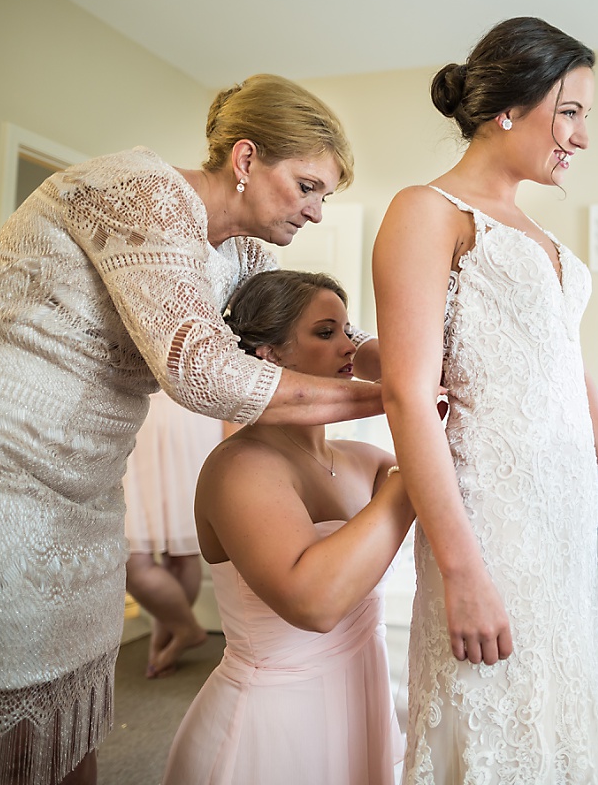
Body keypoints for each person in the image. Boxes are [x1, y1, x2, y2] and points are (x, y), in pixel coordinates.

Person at [0, 74, 384, 785]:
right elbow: (202, 371)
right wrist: (395, 401)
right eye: (308, 187)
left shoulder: (245, 256)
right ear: (246, 159)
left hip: (86, 488)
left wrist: (418, 367)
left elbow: (306, 329)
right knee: (2, 701)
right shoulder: (141, 193)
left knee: (69, 705)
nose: (317, 212)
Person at [373, 16, 598, 784]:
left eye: (585, 116)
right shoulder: (426, 211)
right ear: (509, 106)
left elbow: (569, 370)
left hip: (562, 520)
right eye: (569, 112)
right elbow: (407, 396)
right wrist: (462, 570)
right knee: (495, 715)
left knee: (559, 712)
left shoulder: (540, 233)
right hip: (491, 523)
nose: (581, 136)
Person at [163, 270, 412, 785]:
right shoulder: (239, 468)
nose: (349, 347)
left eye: (348, 331)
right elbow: (314, 604)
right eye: (325, 332)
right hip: (275, 725)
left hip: (362, 705)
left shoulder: (366, 462)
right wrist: (411, 478)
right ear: (270, 355)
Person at [122, 391, 221, 678]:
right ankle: (185, 629)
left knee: (180, 552)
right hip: (134, 422)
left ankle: (164, 642)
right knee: (130, 560)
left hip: (189, 422)